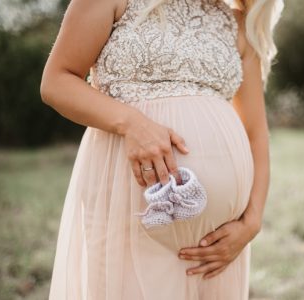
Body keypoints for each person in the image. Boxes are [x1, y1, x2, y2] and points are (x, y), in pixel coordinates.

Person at [40, 0, 284, 298]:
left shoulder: (238, 24)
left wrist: (252, 222)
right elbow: (56, 82)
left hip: (220, 243)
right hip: (127, 202)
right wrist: (132, 123)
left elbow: (255, 133)